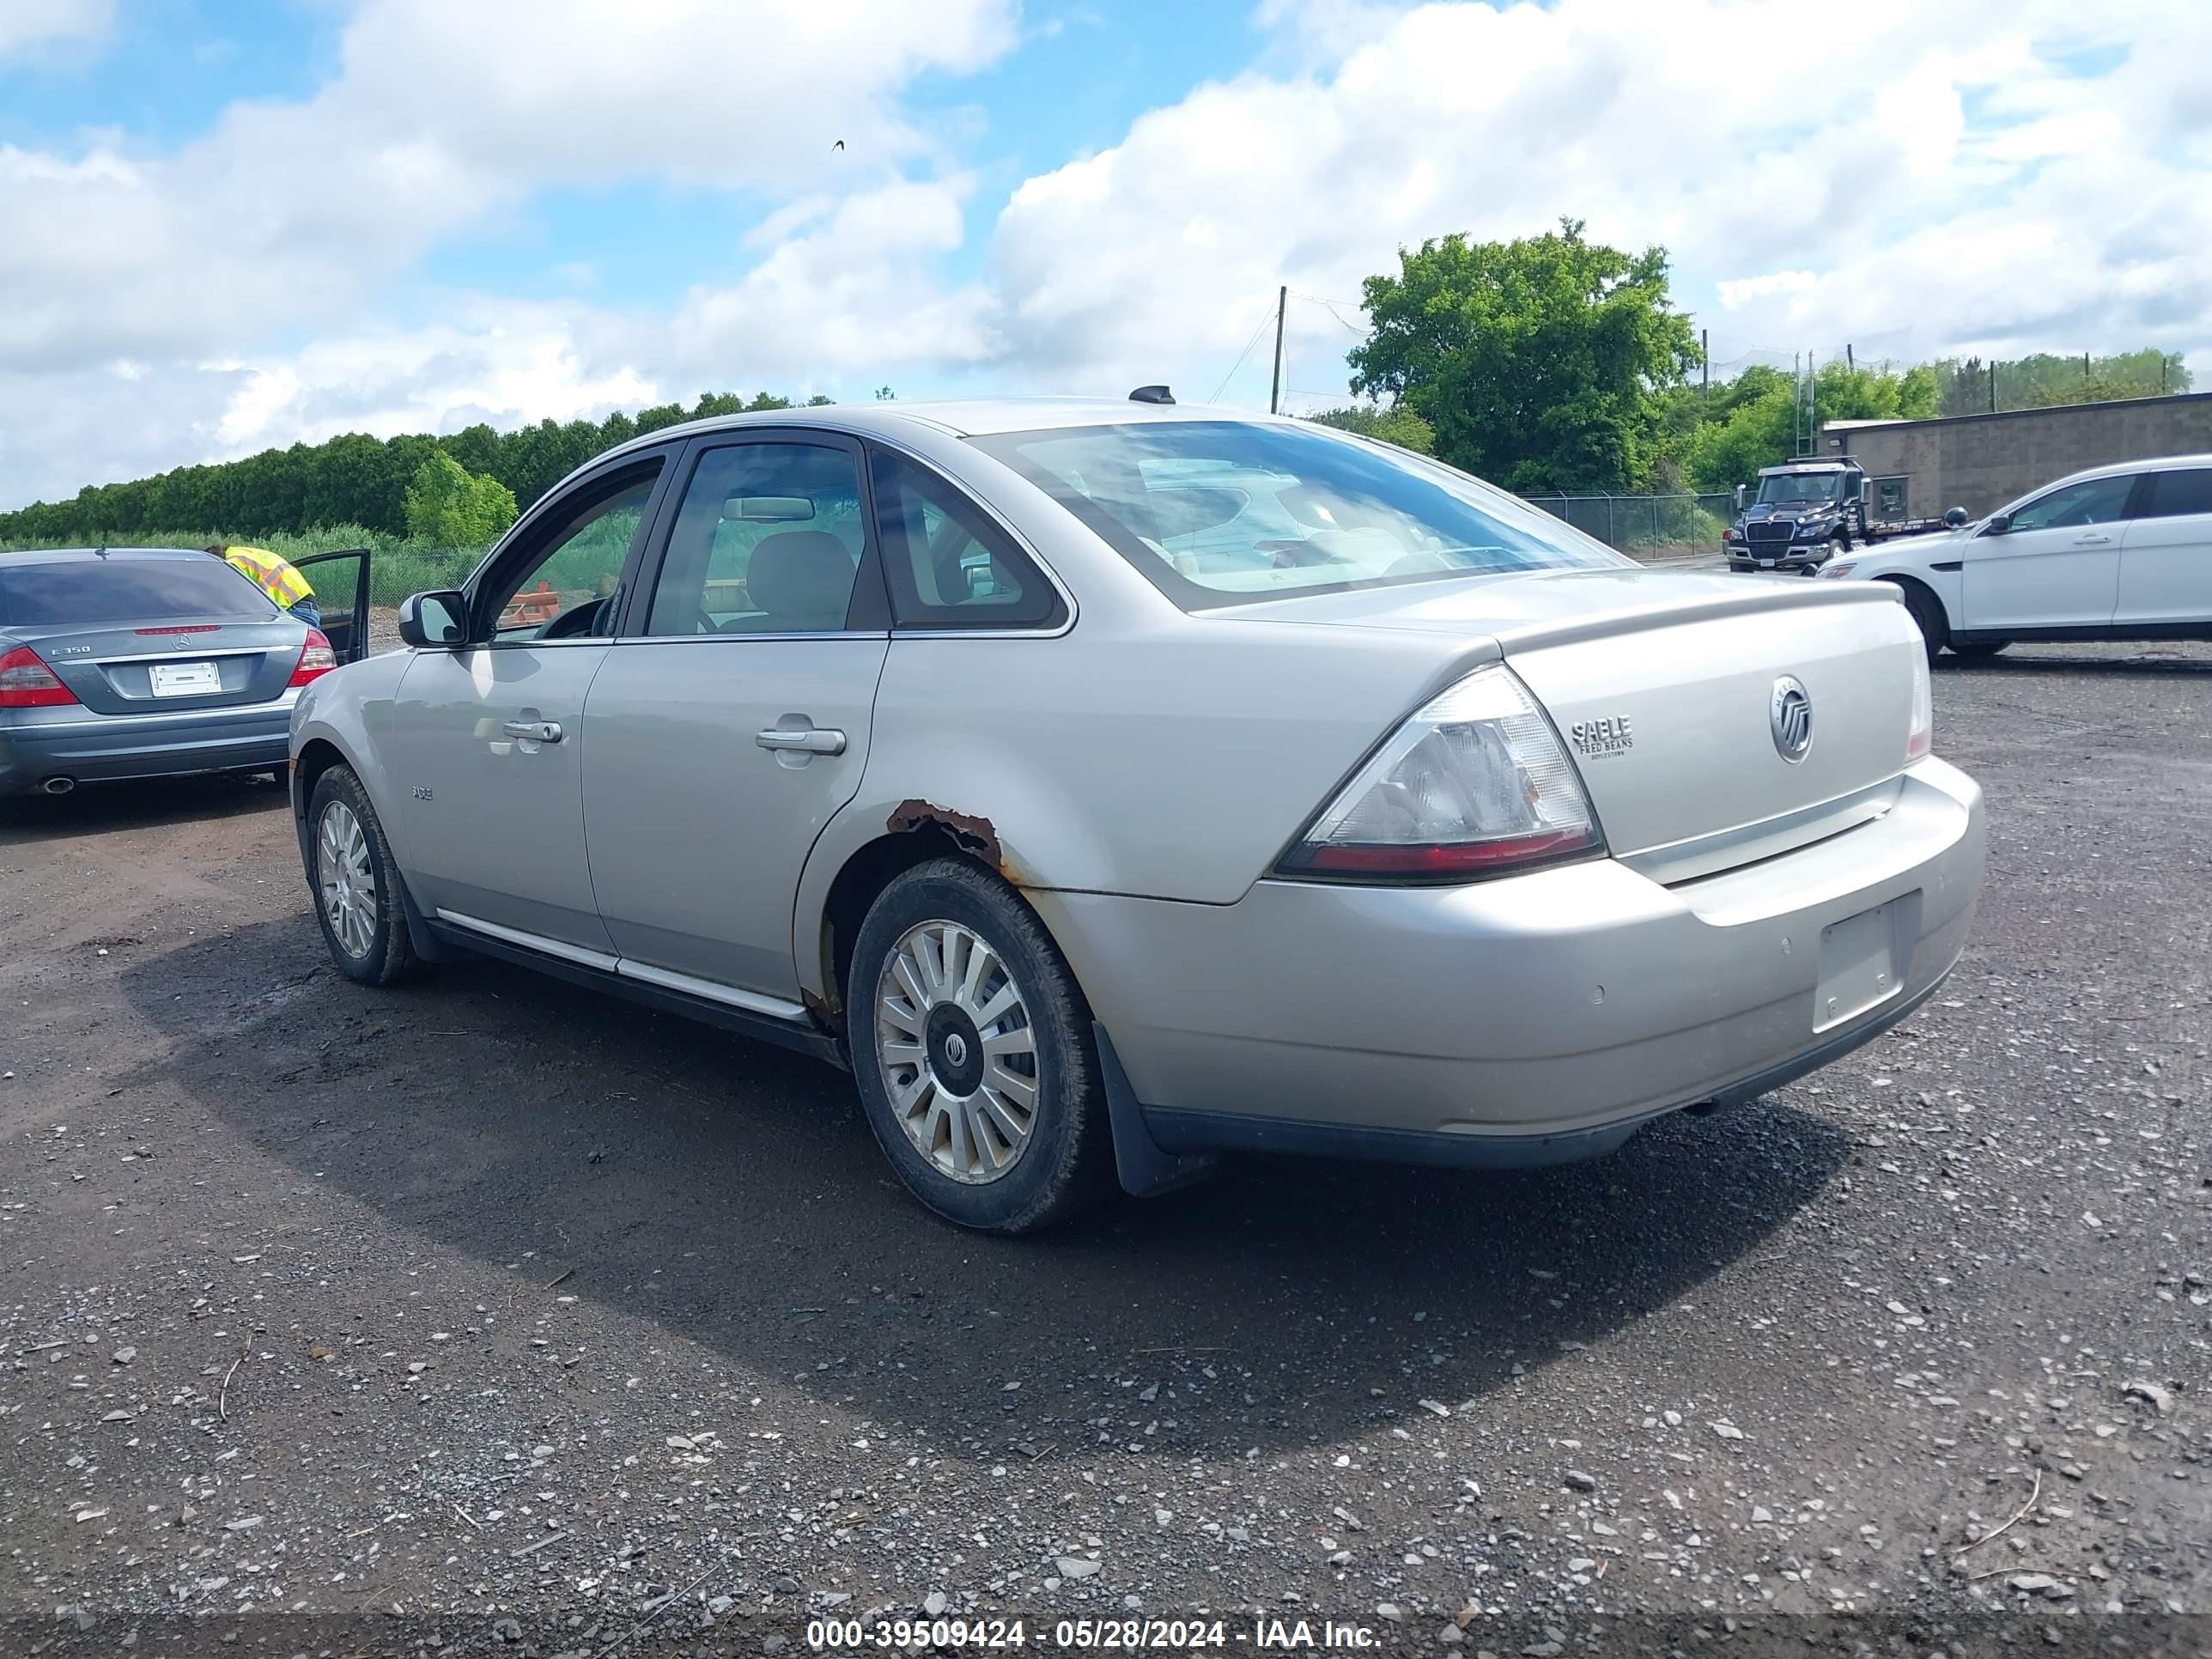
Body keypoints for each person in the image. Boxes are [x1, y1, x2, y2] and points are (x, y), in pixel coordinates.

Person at [207, 544, 319, 628]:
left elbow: (235, 604)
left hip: (292, 611)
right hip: (307, 608)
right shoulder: (245, 553)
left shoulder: (232, 564)